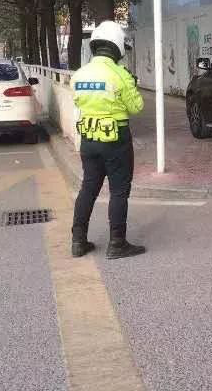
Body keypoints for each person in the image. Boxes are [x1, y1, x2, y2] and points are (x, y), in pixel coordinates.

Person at [70, 21, 146, 259]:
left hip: (89, 139)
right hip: (116, 140)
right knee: (119, 191)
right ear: (117, 46)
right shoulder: (120, 74)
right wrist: (132, 85)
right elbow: (136, 107)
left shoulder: (79, 75)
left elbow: (77, 101)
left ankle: (78, 241)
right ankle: (117, 244)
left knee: (88, 188)